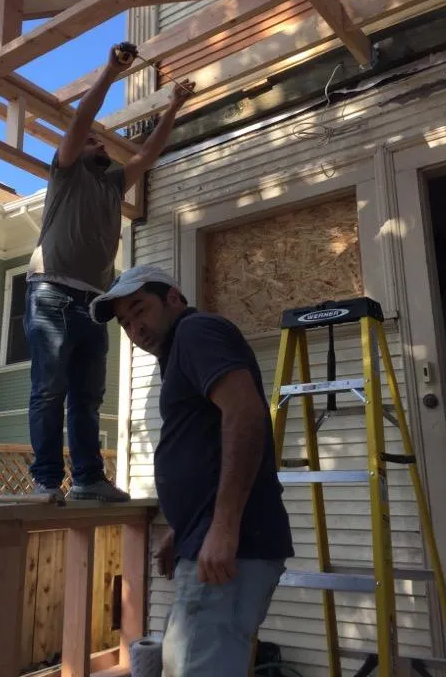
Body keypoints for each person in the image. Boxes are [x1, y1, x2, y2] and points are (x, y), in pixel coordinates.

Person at [90, 265, 294, 675]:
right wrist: (183, 529)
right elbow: (208, 443)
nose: (136, 328)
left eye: (139, 309)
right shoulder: (180, 349)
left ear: (173, 299)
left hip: (231, 545)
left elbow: (246, 415)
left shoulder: (196, 332)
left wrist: (222, 527)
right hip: (207, 538)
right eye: (125, 322)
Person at [24, 43, 195, 502]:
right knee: (48, 391)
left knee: (87, 398)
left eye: (102, 141)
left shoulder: (112, 185)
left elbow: (149, 153)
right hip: (52, 294)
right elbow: (82, 121)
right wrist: (110, 70)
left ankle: (86, 479)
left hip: (95, 303)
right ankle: (43, 481)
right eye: (94, 141)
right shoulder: (66, 174)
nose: (100, 142)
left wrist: (174, 106)